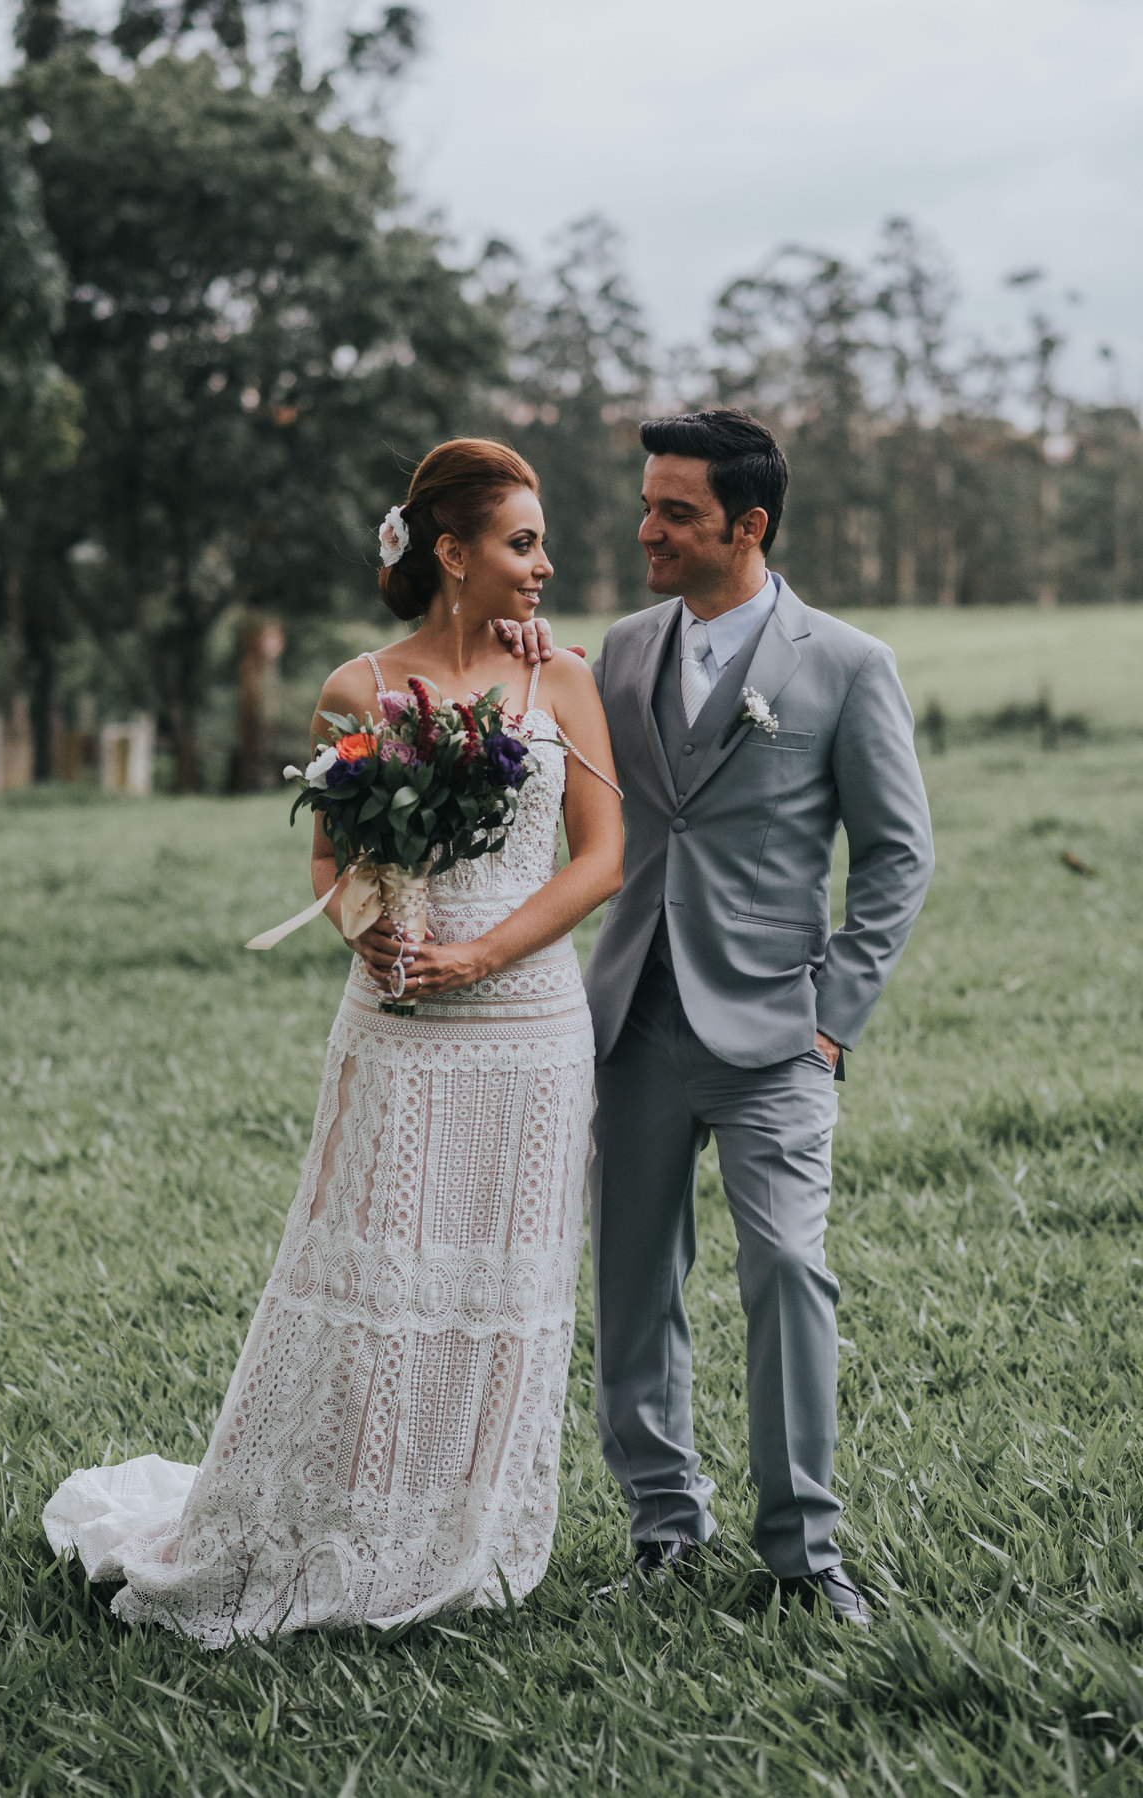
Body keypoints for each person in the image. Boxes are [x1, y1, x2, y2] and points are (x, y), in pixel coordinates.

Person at [43, 439, 623, 1646]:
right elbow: (329, 855)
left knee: (505, 1283)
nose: (546, 564)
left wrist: (481, 955)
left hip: (528, 1032)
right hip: (398, 1032)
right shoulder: (357, 686)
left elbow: (605, 858)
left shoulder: (560, 679)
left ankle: (463, 1530)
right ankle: (338, 1520)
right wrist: (372, 932)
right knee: (377, 1276)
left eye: (543, 542)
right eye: (523, 542)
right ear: (451, 554)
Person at [498, 409, 934, 1625]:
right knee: (634, 1283)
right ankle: (662, 1536)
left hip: (777, 1036)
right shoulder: (621, 650)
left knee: (789, 1268)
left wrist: (832, 1019)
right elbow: (563, 756)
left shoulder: (847, 664)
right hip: (630, 1017)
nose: (646, 528)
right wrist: (519, 655)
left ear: (748, 525)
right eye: (646, 503)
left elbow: (898, 855)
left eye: (674, 512)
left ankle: (803, 1555)